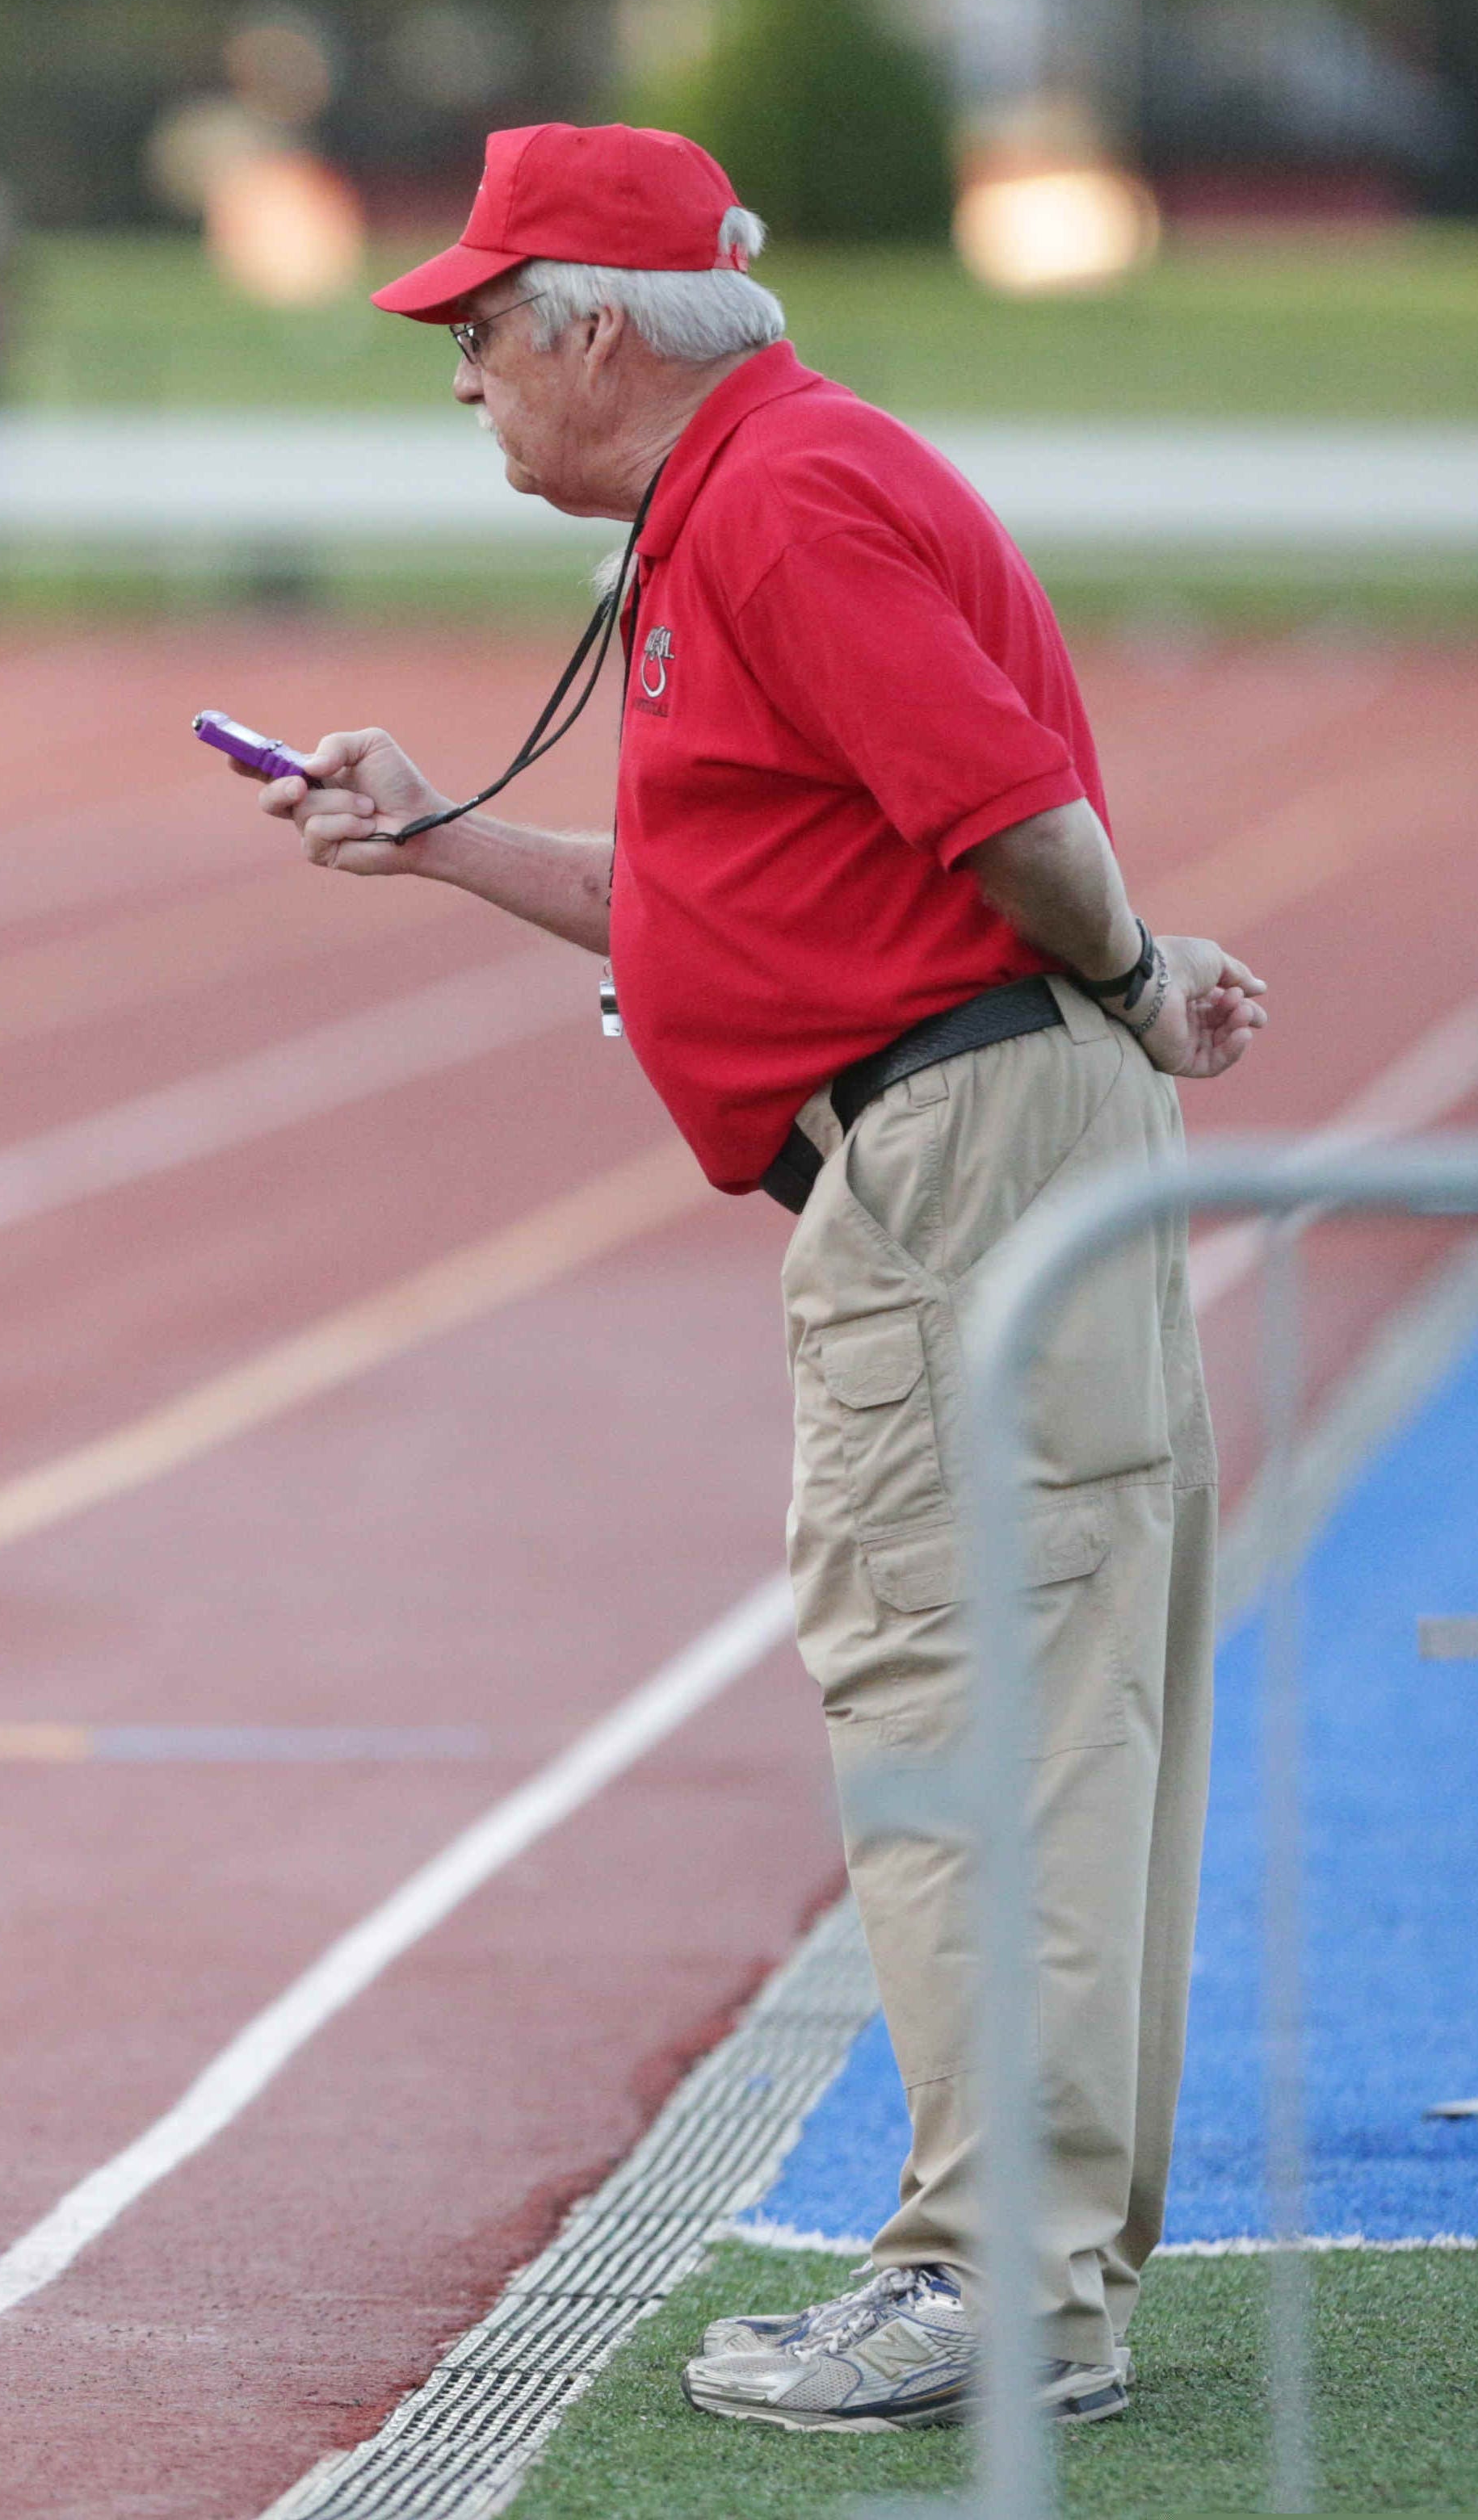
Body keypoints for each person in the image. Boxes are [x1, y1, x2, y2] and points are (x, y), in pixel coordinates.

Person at [245, 123, 1267, 2433]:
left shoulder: (779, 508)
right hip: (958, 1141)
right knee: (1045, 1708)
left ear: (598, 328)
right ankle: (1040, 2275)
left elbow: (1004, 817)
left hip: (952, 1165)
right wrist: (436, 840)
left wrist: (1119, 973)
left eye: (481, 331)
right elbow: (744, 904)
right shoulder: (746, 498)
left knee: (968, 1712)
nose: (462, 380)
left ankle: (992, 2286)